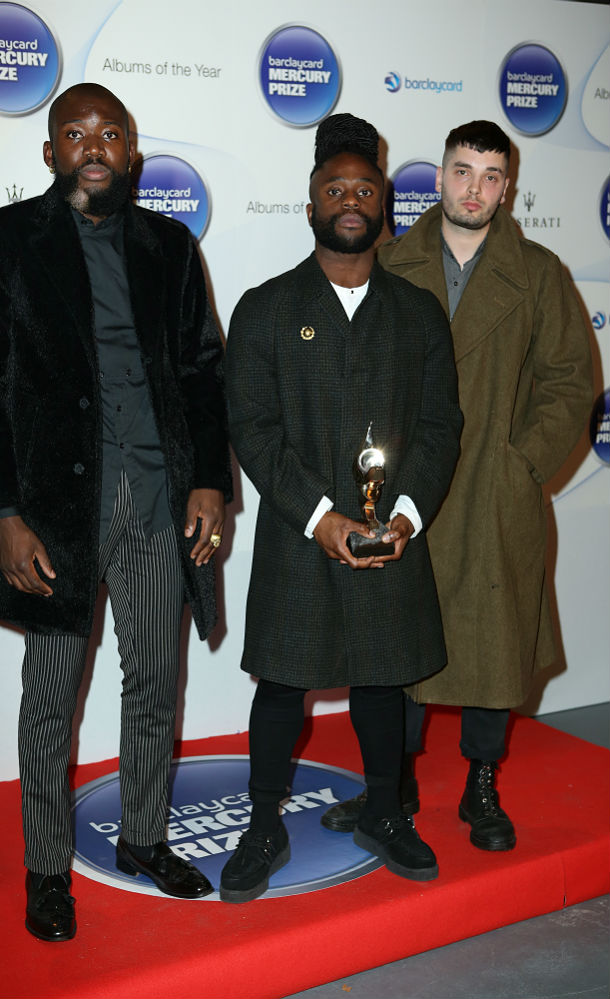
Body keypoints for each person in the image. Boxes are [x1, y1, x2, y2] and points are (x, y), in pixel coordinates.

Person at [0, 83, 232, 940]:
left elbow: (201, 371)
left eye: (111, 133)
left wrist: (210, 480)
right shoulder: (8, 241)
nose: (94, 146)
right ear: (49, 154)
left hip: (157, 503)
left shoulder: (171, 246)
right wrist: (3, 513)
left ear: (133, 152)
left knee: (155, 678)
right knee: (50, 695)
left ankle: (145, 836)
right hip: (56, 511)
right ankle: (46, 867)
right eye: (74, 134)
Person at [322, 120, 593, 851]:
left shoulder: (539, 274)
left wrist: (521, 459)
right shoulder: (386, 261)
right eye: (462, 170)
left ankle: (481, 786)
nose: (475, 188)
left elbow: (572, 382)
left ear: (508, 187)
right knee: (394, 645)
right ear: (438, 176)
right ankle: (393, 786)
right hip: (403, 491)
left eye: (491, 175)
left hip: (493, 495)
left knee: (492, 643)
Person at [221, 113, 462, 903]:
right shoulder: (263, 307)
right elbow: (252, 430)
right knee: (282, 688)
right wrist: (322, 515)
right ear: (311, 204)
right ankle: (263, 824)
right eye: (335, 188)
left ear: (385, 203)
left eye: (364, 187)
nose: (349, 199)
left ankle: (386, 811)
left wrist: (406, 516)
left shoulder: (420, 312)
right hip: (301, 539)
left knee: (384, 684)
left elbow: (439, 428)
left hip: (392, 535)